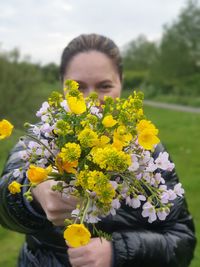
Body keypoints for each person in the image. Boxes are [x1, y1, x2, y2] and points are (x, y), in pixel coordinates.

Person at [0, 33, 196, 267]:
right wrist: (33, 198)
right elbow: (4, 200)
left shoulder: (147, 153)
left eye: (104, 86)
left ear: (121, 83)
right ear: (62, 84)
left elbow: (182, 240)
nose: (91, 100)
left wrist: (119, 252)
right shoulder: (41, 140)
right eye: (77, 87)